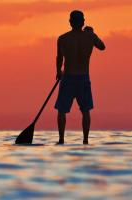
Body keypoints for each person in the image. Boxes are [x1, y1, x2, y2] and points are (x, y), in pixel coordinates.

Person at [55, 10, 105, 144]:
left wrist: (58, 71)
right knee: (86, 111)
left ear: (70, 22)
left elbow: (59, 58)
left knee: (61, 111)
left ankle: (61, 140)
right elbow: (102, 46)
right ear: (83, 22)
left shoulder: (63, 38)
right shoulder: (90, 37)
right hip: (83, 78)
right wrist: (93, 34)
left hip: (68, 78)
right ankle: (85, 140)